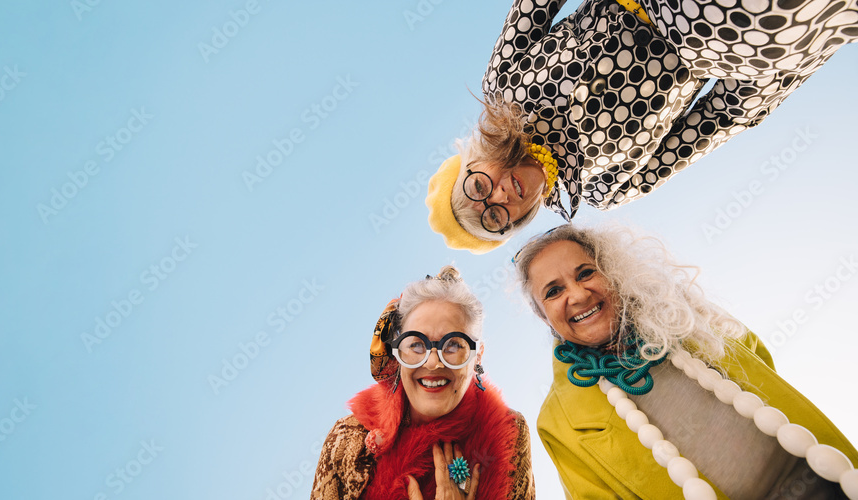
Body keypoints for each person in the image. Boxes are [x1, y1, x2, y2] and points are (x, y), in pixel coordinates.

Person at [426, 0, 858, 254]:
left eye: (478, 188)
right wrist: (775, 65)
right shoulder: (608, 187)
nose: (498, 195)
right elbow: (713, 121)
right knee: (770, 27)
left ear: (472, 163)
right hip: (714, 45)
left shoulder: (502, 86)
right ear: (518, 221)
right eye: (496, 217)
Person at [511, 224, 858, 499]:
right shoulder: (556, 423)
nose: (577, 294)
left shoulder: (686, 320)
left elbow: (759, 361)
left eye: (586, 273)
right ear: (544, 317)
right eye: (553, 291)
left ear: (611, 273)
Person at [310, 266, 536, 500]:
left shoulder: (509, 434)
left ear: (477, 355)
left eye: (453, 345)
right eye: (416, 344)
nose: (433, 362)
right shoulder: (348, 438)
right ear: (397, 354)